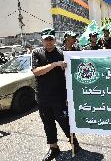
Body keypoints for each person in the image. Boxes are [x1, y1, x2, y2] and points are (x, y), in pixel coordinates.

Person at [32, 28, 80, 161]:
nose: (48, 42)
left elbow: (71, 73)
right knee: (48, 124)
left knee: (65, 122)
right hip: (43, 96)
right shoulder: (36, 52)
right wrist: (54, 64)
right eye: (46, 39)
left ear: (54, 39)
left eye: (50, 39)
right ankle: (53, 148)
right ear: (42, 40)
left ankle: (74, 142)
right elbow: (36, 71)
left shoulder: (61, 53)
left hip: (59, 96)